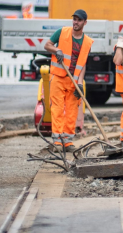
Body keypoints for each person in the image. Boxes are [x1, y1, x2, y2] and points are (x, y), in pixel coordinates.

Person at [44, 9, 93, 152]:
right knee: (57, 109)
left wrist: (79, 82)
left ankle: (67, 140)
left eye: (79, 20)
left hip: (73, 80)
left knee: (72, 110)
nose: (75, 22)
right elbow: (47, 45)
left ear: (85, 22)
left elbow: (82, 64)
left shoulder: (87, 42)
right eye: (74, 19)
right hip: (58, 77)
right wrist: (56, 50)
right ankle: (57, 141)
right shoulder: (62, 32)